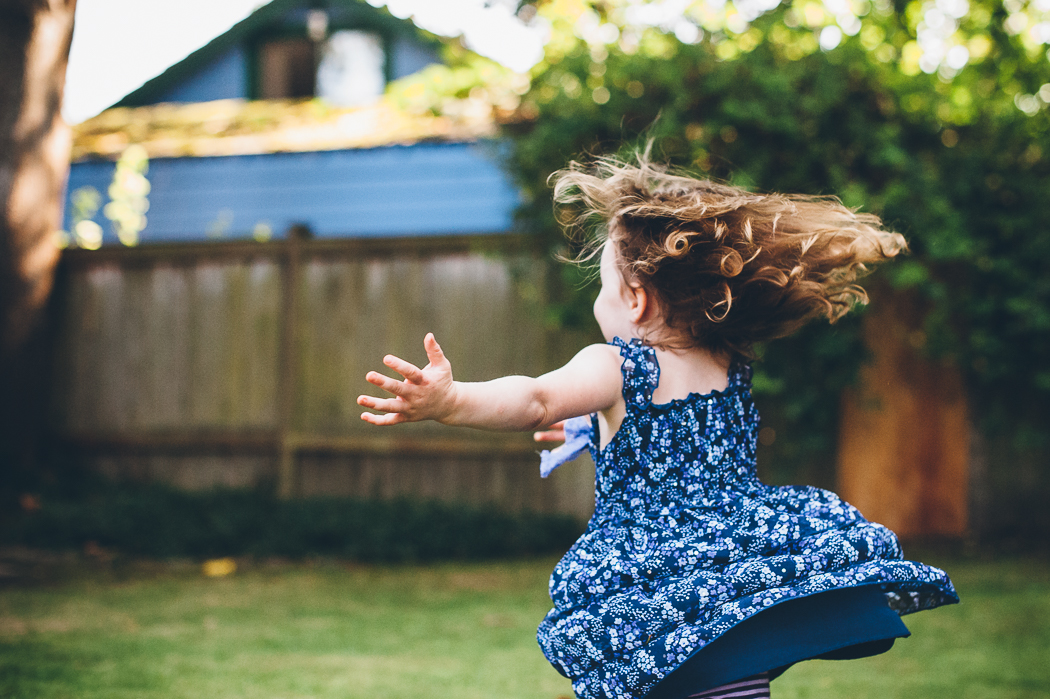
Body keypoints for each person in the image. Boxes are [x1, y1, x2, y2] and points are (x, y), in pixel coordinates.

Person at [356, 153, 958, 699]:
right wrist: (589, 432)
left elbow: (537, 399)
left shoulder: (618, 363)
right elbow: (680, 440)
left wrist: (452, 400)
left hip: (655, 588)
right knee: (727, 679)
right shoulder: (729, 363)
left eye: (603, 281)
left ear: (637, 300)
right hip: (727, 578)